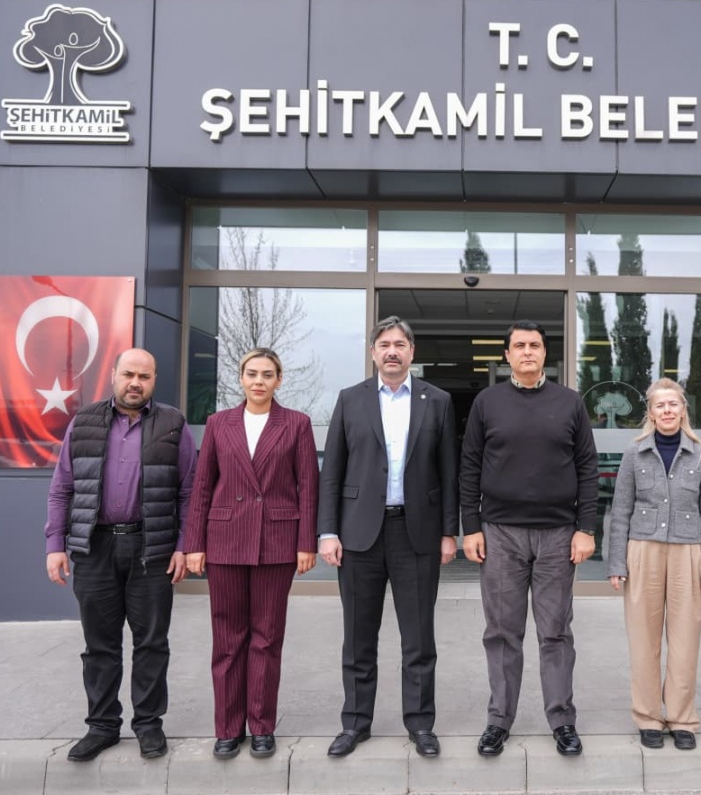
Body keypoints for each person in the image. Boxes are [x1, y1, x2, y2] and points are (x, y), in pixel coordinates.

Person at [45, 348, 197, 763]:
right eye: (129, 374)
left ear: (154, 380)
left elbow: (188, 491)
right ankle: (102, 726)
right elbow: (62, 488)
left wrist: (183, 544)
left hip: (152, 548)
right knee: (100, 645)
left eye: (144, 376)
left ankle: (148, 724)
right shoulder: (84, 422)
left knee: (152, 643)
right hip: (95, 548)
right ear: (113, 375)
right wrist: (55, 544)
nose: (135, 383)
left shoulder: (173, 424)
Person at [318, 316, 458, 759]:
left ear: (412, 352)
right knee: (358, 637)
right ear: (373, 352)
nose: (392, 351)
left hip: (416, 534)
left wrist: (448, 532)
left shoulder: (437, 401)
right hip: (358, 534)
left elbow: (449, 473)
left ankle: (420, 724)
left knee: (419, 640)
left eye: (400, 344)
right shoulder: (350, 399)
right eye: (384, 344)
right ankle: (355, 723)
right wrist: (328, 531)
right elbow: (332, 471)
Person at [460, 320, 599, 758]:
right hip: (500, 534)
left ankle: (562, 720)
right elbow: (469, 465)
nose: (527, 352)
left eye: (534, 345)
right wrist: (470, 526)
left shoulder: (570, 402)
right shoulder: (487, 403)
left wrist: (586, 528)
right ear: (507, 355)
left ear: (544, 353)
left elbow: (587, 467)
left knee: (555, 632)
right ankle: (499, 720)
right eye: (518, 345)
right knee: (502, 632)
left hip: (558, 535)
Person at [183, 347, 318, 760]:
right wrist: (194, 544)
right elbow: (202, 487)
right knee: (227, 639)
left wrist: (306, 542)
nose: (259, 381)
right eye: (252, 373)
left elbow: (308, 487)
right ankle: (227, 728)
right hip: (225, 540)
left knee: (266, 638)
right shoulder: (218, 423)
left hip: (277, 541)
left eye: (267, 374)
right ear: (240, 378)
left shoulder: (296, 424)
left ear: (279, 380)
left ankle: (261, 726)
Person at [607, 378, 701, 750]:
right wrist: (616, 562)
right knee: (643, 640)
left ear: (683, 410)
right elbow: (620, 510)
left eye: (674, 404)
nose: (668, 410)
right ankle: (648, 717)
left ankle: (681, 718)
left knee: (685, 641)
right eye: (660, 405)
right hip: (643, 551)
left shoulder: (700, 454)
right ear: (651, 412)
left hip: (688, 553)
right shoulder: (635, 452)